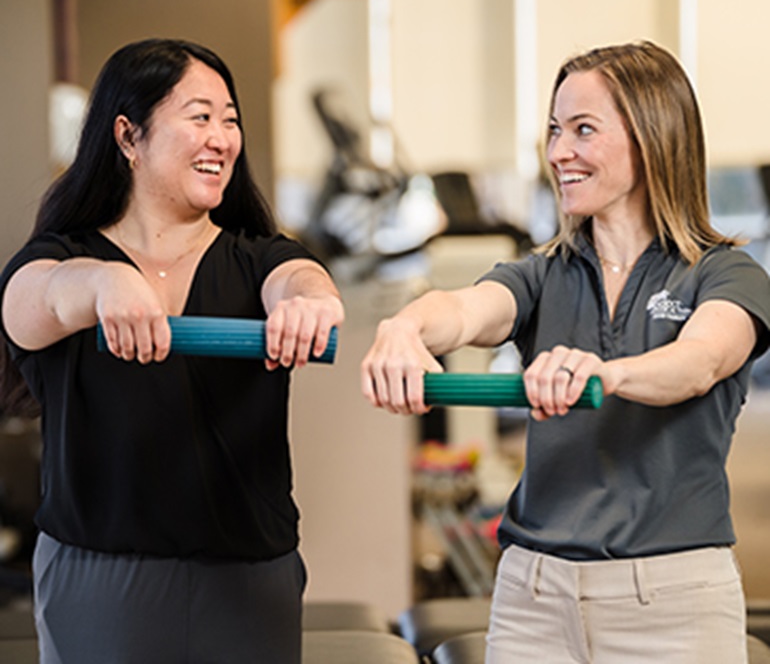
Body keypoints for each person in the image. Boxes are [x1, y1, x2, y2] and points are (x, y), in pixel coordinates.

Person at [360, 40, 770, 663]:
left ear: (652, 137)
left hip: (675, 601)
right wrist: (404, 328)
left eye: (583, 130)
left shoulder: (724, 274)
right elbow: (465, 309)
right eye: (554, 130)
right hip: (534, 598)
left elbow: (700, 362)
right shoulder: (543, 275)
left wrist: (602, 372)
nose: (558, 153)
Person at [0, 38, 344, 664]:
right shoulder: (62, 259)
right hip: (100, 581)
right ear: (128, 137)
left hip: (249, 582)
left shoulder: (259, 258)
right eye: (200, 116)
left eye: (230, 119)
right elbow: (30, 306)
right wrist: (105, 282)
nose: (222, 138)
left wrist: (310, 301)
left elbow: (301, 278)